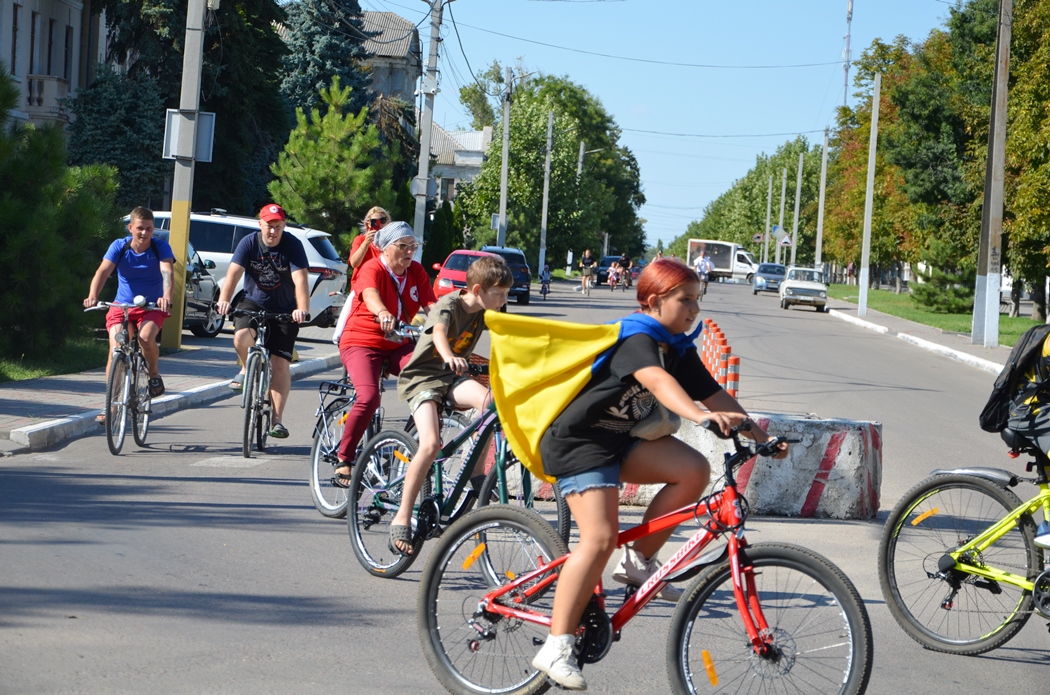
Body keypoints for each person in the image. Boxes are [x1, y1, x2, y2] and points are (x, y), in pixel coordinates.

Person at [529, 258, 789, 690]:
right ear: (653, 301)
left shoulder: (676, 345)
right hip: (579, 443)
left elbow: (716, 392)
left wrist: (761, 435)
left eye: (697, 300)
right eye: (684, 300)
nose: (693, 310)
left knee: (693, 469)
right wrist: (700, 417)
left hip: (620, 440)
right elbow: (657, 383)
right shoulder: (637, 335)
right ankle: (555, 645)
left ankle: (637, 562)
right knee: (598, 538)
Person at [388, 256, 514, 554]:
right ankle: (402, 516)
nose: (504, 300)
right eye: (499, 294)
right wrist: (448, 356)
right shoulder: (448, 305)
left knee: (490, 405)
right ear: (478, 289)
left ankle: (475, 472)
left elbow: (511, 336)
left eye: (507, 294)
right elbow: (440, 333)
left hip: (453, 378)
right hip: (423, 379)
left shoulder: (489, 311)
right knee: (431, 444)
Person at [331, 221, 437, 486]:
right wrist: (382, 312)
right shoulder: (373, 267)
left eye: (413, 246)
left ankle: (415, 439)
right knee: (368, 396)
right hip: (362, 341)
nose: (410, 251)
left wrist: (444, 325)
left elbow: (431, 304)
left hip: (397, 343)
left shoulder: (416, 272)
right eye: (403, 246)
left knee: (432, 377)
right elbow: (369, 294)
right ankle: (344, 458)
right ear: (386, 249)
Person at [216, 203, 310, 439]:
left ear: (283, 226)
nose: (273, 231)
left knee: (280, 364)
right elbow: (233, 274)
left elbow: (301, 281)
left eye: (278, 226)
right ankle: (247, 369)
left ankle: (277, 421)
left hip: (286, 309)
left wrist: (302, 309)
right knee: (240, 336)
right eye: (269, 225)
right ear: (261, 224)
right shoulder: (248, 243)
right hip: (253, 302)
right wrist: (224, 301)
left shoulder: (292, 245)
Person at [84, 207, 175, 422]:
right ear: (131, 228)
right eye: (140, 229)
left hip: (152, 307)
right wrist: (92, 295)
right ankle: (111, 407)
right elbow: (103, 271)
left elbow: (167, 272)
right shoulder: (120, 246)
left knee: (145, 338)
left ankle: (153, 372)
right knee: (115, 350)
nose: (144, 234)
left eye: (149, 229)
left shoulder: (160, 247)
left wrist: (166, 296)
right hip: (121, 306)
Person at [349, 206, 389, 286]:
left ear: (387, 223)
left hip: (382, 286)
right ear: (368, 224)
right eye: (375, 221)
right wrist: (366, 243)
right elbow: (354, 263)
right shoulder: (360, 240)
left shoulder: (390, 243)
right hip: (362, 285)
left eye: (383, 220)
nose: (379, 224)